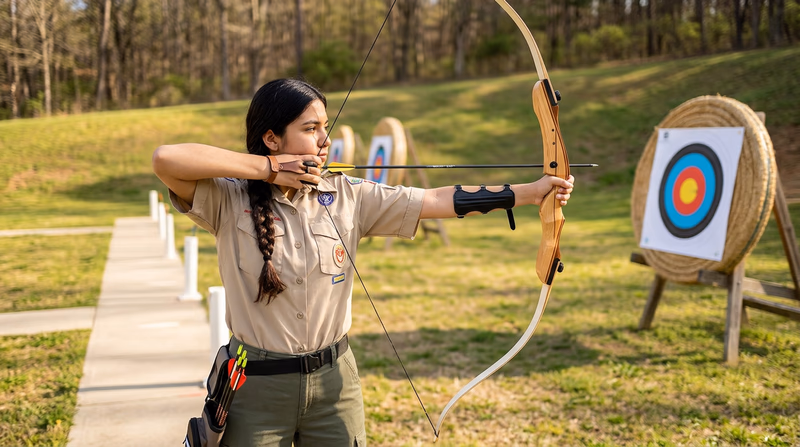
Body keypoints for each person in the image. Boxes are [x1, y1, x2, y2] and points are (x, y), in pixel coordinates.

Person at [152, 78, 574, 447]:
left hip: (334, 383)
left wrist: (531, 192)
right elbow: (166, 159)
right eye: (310, 128)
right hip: (256, 388)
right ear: (272, 138)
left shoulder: (349, 194)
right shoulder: (230, 198)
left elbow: (434, 200)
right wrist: (267, 170)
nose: (324, 140)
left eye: (325, 128)